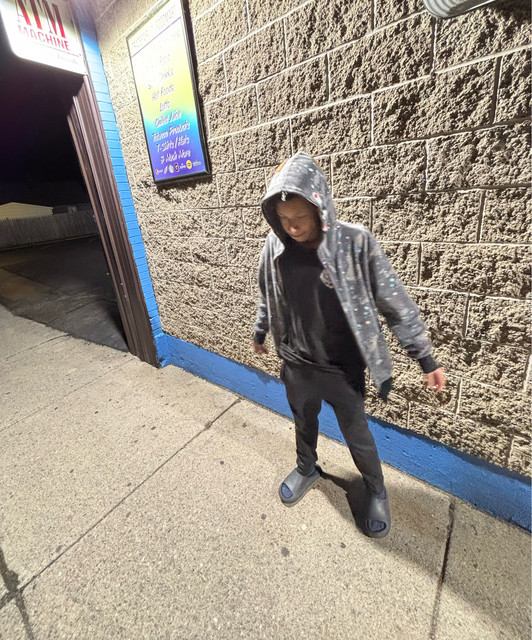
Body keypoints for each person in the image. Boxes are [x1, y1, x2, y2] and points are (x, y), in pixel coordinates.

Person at [252, 151, 446, 539]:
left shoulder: (355, 242)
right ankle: (306, 468)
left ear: (319, 206)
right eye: (284, 219)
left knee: (357, 435)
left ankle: (376, 489)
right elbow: (267, 293)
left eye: (300, 217)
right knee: (303, 422)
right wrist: (261, 330)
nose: (293, 227)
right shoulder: (274, 247)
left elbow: (394, 301)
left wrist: (424, 357)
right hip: (296, 364)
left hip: (341, 369)